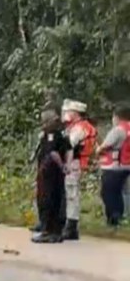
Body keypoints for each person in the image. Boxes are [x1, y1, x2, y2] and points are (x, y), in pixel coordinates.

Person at [31, 109, 71, 243]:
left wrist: (61, 166)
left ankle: (48, 231)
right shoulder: (62, 134)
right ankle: (56, 232)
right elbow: (69, 149)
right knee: (57, 200)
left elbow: (53, 153)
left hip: (49, 173)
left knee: (46, 200)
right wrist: (67, 166)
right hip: (56, 174)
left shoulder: (52, 135)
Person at [60, 99, 96, 240]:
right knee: (67, 193)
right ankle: (66, 223)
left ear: (75, 113)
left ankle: (71, 227)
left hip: (74, 163)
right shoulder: (73, 127)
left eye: (67, 111)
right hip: (71, 162)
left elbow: (69, 144)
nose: (65, 114)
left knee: (71, 194)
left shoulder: (80, 128)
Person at [96, 106, 130, 228]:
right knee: (122, 192)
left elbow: (106, 145)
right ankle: (122, 217)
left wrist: (98, 150)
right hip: (126, 165)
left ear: (116, 117)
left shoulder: (118, 130)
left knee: (108, 192)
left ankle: (114, 218)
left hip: (114, 166)